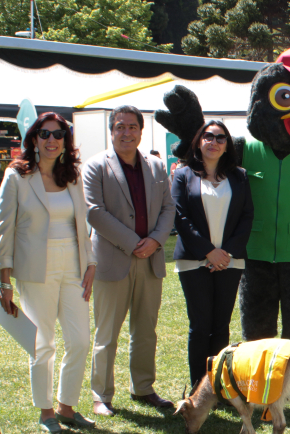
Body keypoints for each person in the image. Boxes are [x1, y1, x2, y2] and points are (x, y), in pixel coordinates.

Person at [0, 113, 96, 434]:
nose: (52, 140)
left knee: (80, 340)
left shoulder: (73, 175)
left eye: (59, 134)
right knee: (42, 343)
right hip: (34, 268)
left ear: (66, 140)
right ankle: (46, 411)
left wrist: (90, 263)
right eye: (45, 134)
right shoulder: (17, 176)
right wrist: (5, 281)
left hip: (74, 265)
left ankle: (67, 407)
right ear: (34, 139)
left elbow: (82, 225)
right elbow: (5, 230)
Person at [83, 105, 176, 416]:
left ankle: (143, 387)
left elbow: (168, 209)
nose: (126, 132)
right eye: (120, 127)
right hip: (113, 260)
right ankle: (101, 395)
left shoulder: (156, 167)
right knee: (107, 332)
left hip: (150, 260)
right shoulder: (96, 166)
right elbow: (94, 212)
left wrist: (155, 240)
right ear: (112, 131)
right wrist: (134, 242)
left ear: (141, 130)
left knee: (146, 330)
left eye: (132, 127)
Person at [171, 119, 253, 383]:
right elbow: (180, 218)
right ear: (199, 141)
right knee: (200, 326)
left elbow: (247, 216)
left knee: (221, 327)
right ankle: (199, 387)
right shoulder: (183, 175)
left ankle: (218, 385)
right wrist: (209, 252)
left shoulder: (239, 176)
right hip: (194, 262)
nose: (214, 142)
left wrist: (225, 253)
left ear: (227, 145)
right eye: (208, 136)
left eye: (220, 138)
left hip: (230, 261)